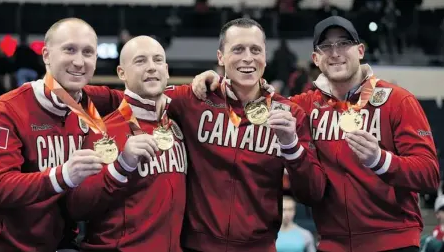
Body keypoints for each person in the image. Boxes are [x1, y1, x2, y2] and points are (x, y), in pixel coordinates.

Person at [191, 16, 439, 252]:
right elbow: (255, 97)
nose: (335, 52)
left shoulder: (397, 100)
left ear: (360, 51)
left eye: (344, 43)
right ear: (315, 58)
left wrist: (381, 160)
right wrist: (216, 80)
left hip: (393, 243)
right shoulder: (304, 107)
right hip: (332, 245)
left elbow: (429, 174)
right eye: (326, 46)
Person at [0, 18, 131, 252]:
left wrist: (195, 89)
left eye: (88, 52)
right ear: (46, 55)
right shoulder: (6, 110)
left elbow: (141, 98)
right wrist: (64, 174)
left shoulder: (90, 99)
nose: (79, 61)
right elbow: (0, 188)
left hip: (55, 243)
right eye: (69, 50)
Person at [165, 18, 326, 252]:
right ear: (220, 56)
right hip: (196, 246)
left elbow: (313, 192)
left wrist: (291, 146)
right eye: (238, 49)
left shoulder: (289, 114)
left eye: (255, 50)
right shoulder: (194, 99)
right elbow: (130, 100)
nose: (248, 58)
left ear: (265, 56)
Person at [66, 36, 187, 252]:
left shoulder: (177, 123)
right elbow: (77, 207)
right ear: (121, 73)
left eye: (157, 60)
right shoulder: (104, 132)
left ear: (166, 70)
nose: (151, 68)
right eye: (140, 61)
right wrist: (121, 166)